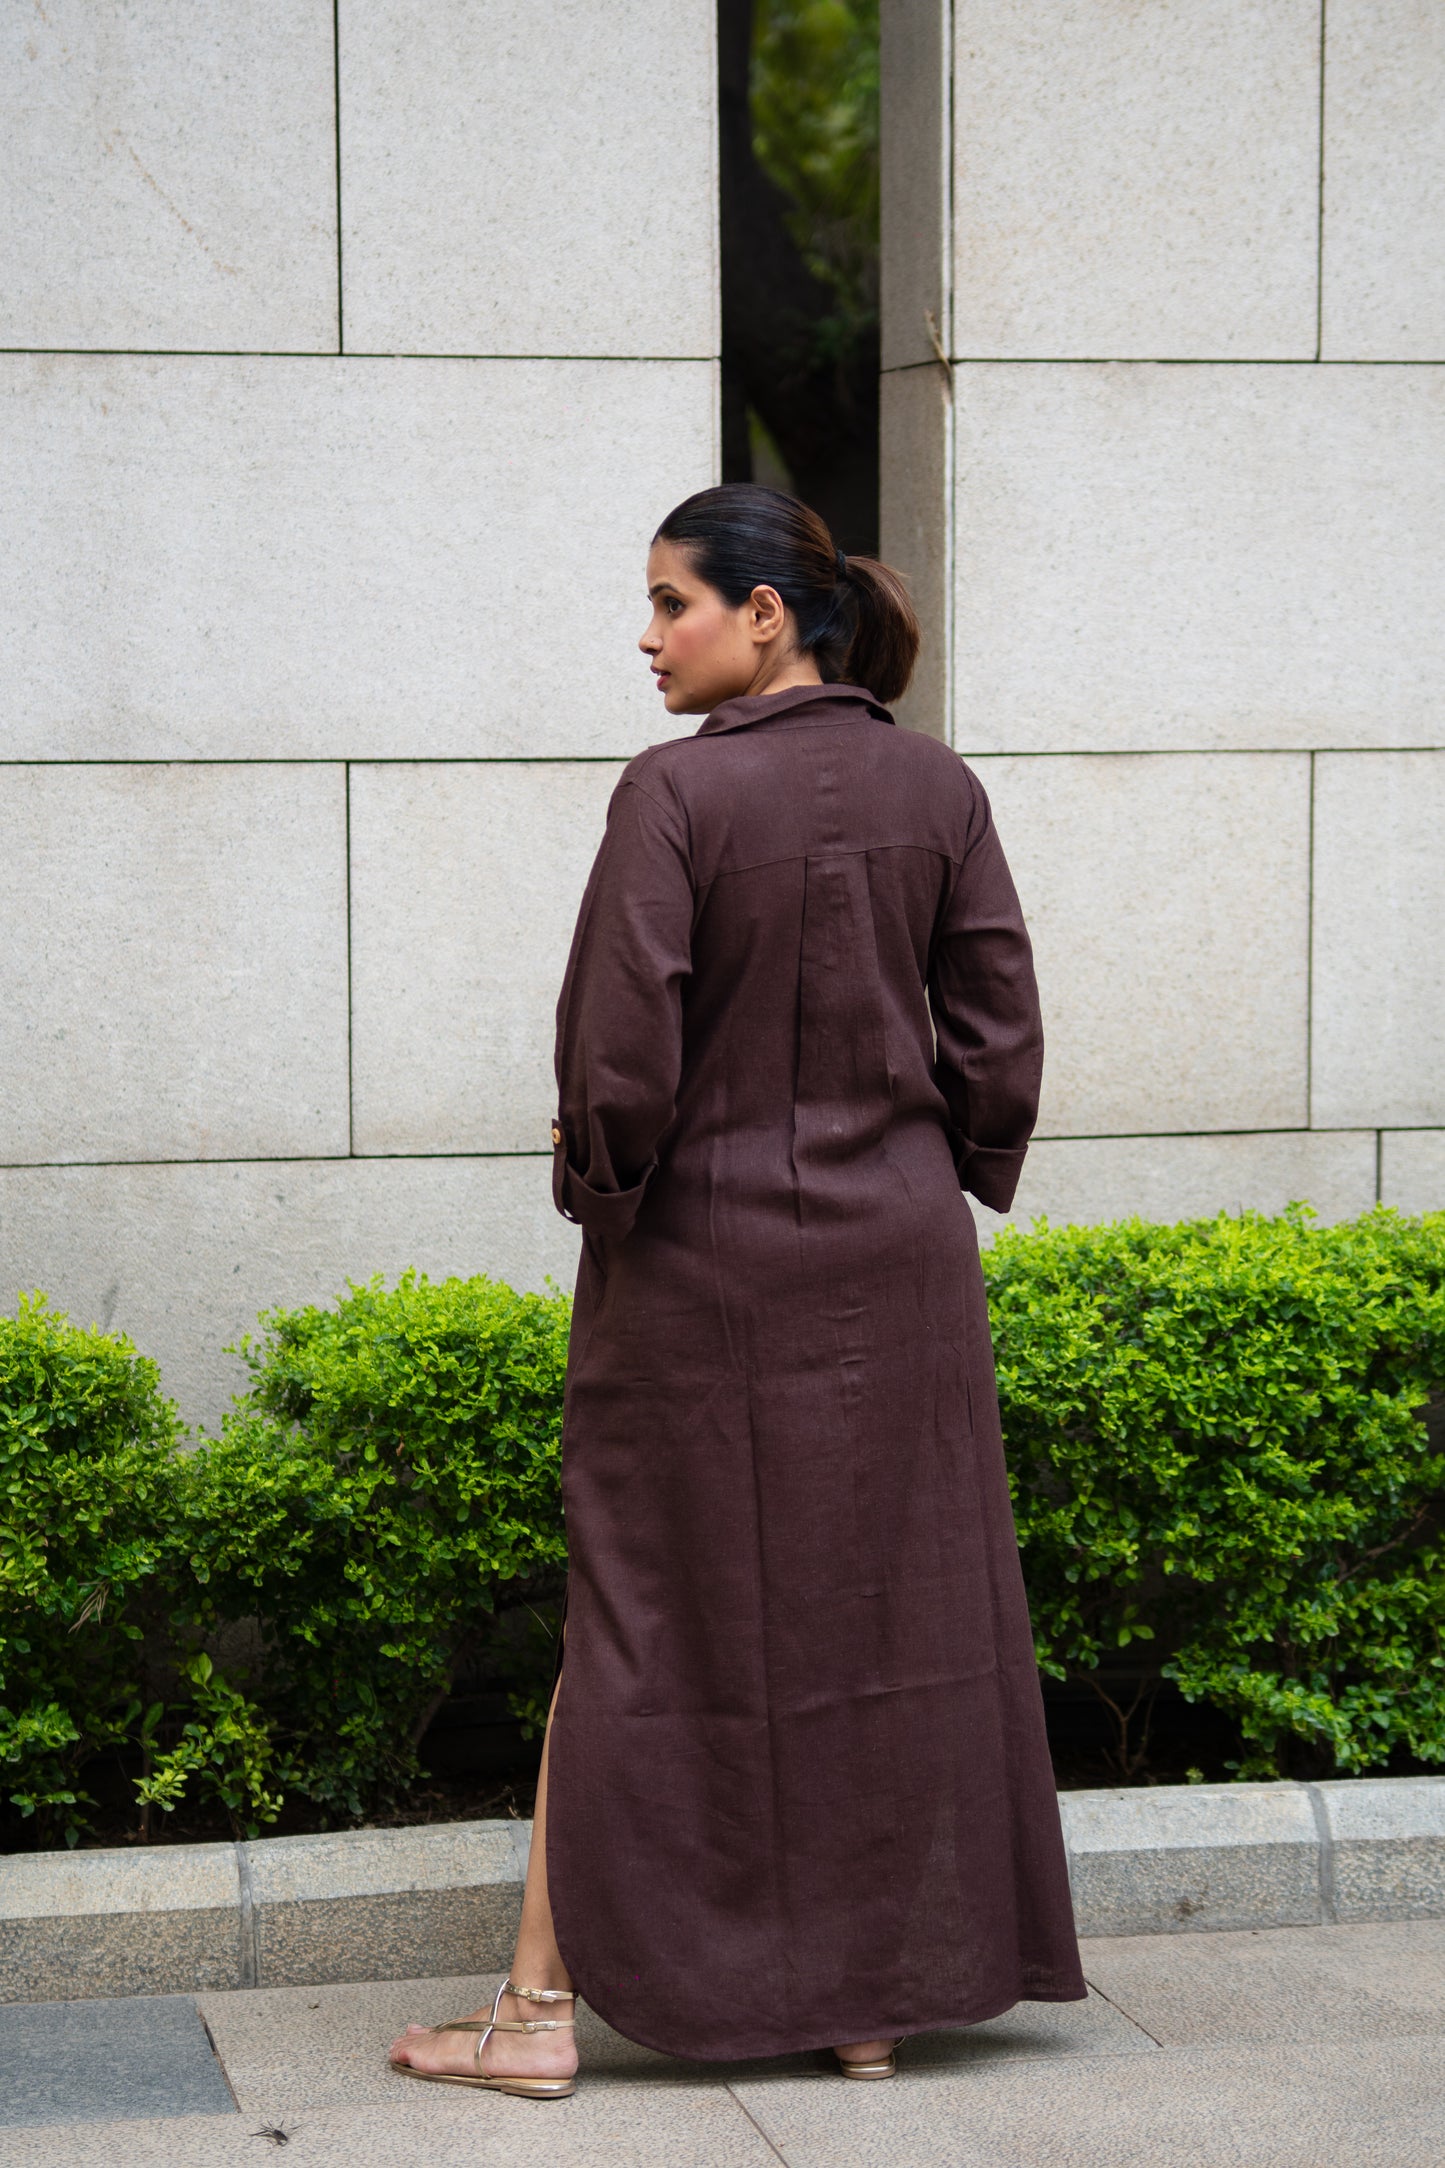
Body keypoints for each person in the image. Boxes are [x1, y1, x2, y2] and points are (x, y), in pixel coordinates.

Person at [390, 484, 1084, 2101]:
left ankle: (537, 2016)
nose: (646, 637)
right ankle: (864, 2002)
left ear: (765, 614)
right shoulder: (934, 784)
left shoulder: (675, 797)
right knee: (878, 1612)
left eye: (670, 603)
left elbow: (616, 1056)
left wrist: (602, 1191)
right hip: (897, 1264)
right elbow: (997, 1027)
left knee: (638, 1612)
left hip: (701, 1267)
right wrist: (953, 1163)